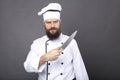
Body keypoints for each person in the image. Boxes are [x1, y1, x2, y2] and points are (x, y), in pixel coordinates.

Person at [24, 3, 89, 80]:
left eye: (55, 21)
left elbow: (80, 69)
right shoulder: (37, 43)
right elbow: (27, 67)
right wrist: (44, 58)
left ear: (60, 22)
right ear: (44, 24)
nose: (52, 26)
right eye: (48, 22)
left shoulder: (71, 42)